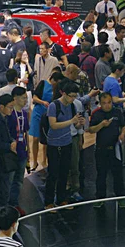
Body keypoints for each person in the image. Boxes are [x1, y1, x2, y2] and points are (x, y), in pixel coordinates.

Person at [45, 81, 85, 210]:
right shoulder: (53, 106)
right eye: (71, 96)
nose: (73, 99)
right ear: (64, 93)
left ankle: (62, 198)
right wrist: (71, 121)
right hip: (54, 144)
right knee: (53, 173)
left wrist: (79, 123)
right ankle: (49, 201)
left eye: (75, 96)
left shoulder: (72, 106)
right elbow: (53, 125)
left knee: (64, 171)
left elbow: (75, 125)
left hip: (67, 142)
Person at [89, 92, 125, 207]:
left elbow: (124, 125)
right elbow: (91, 130)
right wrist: (101, 125)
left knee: (118, 174)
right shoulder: (96, 114)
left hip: (115, 148)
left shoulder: (117, 112)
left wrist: (122, 134)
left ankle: (120, 197)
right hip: (101, 149)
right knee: (101, 174)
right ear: (100, 103)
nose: (107, 105)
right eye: (104, 103)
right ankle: (100, 198)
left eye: (109, 102)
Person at [29, 71, 64, 170]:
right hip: (38, 112)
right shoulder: (43, 83)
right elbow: (34, 98)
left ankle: (45, 160)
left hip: (49, 114)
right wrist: (43, 102)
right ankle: (35, 161)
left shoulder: (57, 88)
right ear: (53, 80)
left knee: (47, 139)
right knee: (35, 138)